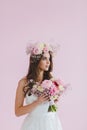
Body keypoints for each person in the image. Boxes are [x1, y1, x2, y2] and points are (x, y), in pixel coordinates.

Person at [15, 42, 63, 130]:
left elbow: (51, 109)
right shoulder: (23, 82)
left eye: (49, 59)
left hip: (51, 124)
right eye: (44, 58)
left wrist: (54, 102)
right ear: (36, 60)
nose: (48, 62)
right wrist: (37, 102)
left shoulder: (51, 80)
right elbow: (17, 112)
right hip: (33, 125)